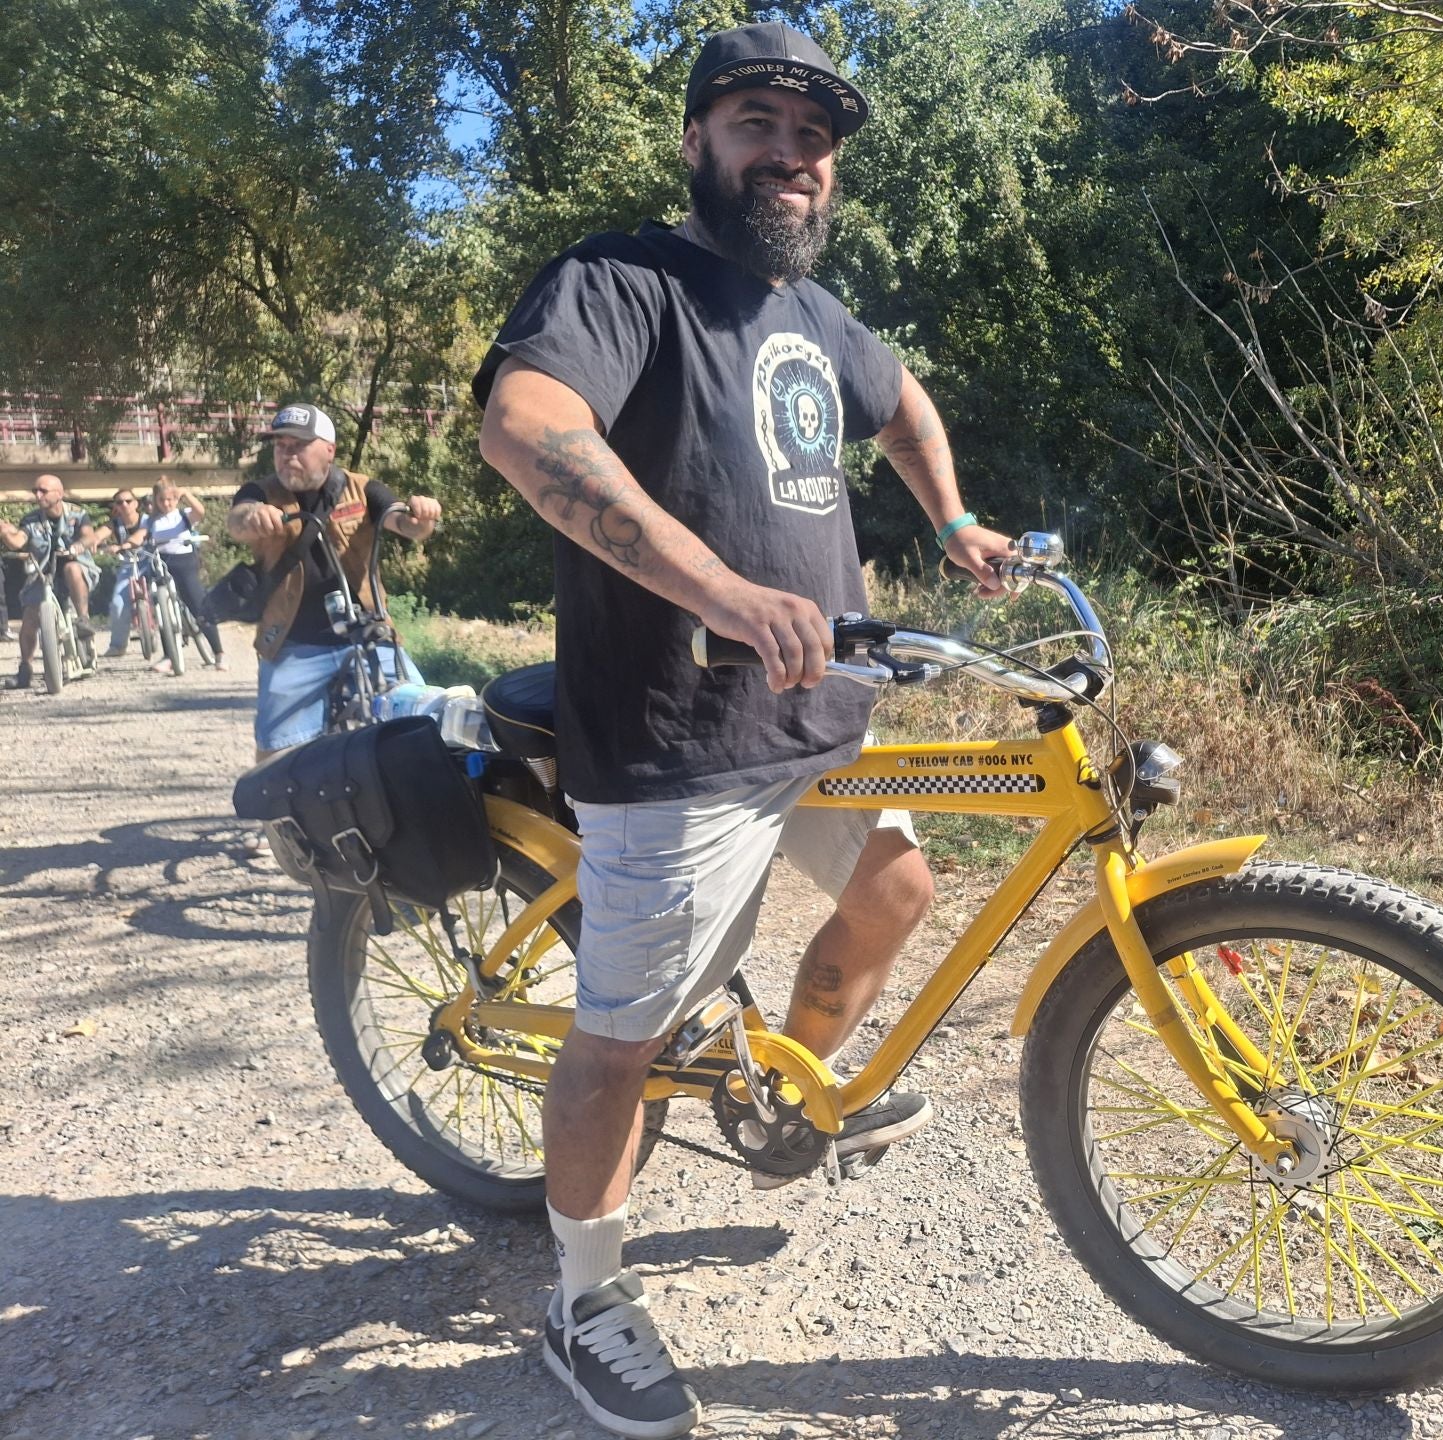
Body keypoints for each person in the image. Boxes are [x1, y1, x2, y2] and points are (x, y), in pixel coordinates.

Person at [474, 22, 1013, 1439]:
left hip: (816, 710)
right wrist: (713, 585)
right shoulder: (622, 278)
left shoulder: (816, 319)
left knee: (901, 885)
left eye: (812, 136)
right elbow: (526, 426)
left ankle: (775, 1095)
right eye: (756, 123)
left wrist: (950, 518)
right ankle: (584, 1295)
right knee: (622, 1041)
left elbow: (902, 404)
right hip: (677, 726)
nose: (790, 153)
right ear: (699, 143)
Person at [226, 404, 441, 757]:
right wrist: (254, 515)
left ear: (329, 449)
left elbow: (403, 521)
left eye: (298, 445)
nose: (286, 454)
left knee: (425, 722)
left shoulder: (362, 489)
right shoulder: (260, 492)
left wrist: (422, 517)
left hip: (368, 635)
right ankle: (283, 814)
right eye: (280, 445)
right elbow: (237, 519)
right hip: (292, 643)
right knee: (275, 755)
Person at [0, 474, 97, 688]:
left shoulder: (78, 514)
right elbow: (18, 541)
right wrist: (5, 532)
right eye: (35, 490)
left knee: (72, 568)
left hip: (75, 564)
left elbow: (89, 536)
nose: (37, 494)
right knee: (29, 621)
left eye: (43, 490)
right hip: (44, 571)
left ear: (59, 494)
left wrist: (78, 547)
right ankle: (25, 669)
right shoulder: (31, 520)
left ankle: (83, 619)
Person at [145, 477, 227, 671]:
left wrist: (185, 495)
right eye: (162, 500)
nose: (166, 504)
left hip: (185, 562)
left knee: (199, 606)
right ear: (156, 500)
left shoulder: (183, 515)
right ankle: (169, 656)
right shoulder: (151, 521)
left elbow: (201, 512)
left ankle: (219, 653)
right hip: (162, 563)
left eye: (171, 499)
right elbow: (141, 536)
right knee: (161, 607)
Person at [96, 488, 155, 658]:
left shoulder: (149, 521)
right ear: (116, 506)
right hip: (129, 565)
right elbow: (98, 535)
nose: (124, 505)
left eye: (128, 501)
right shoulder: (114, 523)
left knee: (164, 594)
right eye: (120, 502)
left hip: (152, 562)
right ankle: (118, 646)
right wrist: (91, 543)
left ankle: (177, 632)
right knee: (118, 604)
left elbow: (139, 537)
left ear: (136, 503)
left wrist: (123, 546)